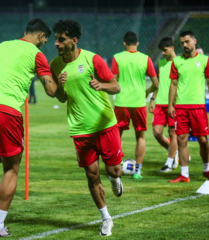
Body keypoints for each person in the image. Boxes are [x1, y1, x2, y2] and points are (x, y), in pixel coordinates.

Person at [0, 18, 57, 238]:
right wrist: (62, 81)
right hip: (6, 112)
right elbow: (50, 91)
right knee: (12, 168)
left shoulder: (0, 46)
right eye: (45, 40)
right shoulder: (37, 54)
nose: (44, 44)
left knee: (10, 152)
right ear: (40, 36)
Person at [50, 20, 123, 237]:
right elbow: (62, 98)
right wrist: (60, 87)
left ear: (74, 41)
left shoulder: (92, 59)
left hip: (105, 125)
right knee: (92, 176)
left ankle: (115, 178)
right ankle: (106, 219)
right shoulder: (56, 65)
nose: (56, 43)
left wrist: (102, 85)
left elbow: (115, 86)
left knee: (113, 170)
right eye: (55, 39)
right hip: (80, 128)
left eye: (61, 40)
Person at [168, 30, 209, 183]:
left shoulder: (204, 60)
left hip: (198, 107)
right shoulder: (177, 62)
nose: (184, 45)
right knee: (181, 139)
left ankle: (206, 169)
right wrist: (171, 105)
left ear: (195, 41)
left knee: (203, 140)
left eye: (187, 42)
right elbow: (174, 84)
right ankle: (184, 174)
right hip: (181, 107)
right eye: (182, 43)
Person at [111, 31, 159, 179]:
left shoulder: (117, 58)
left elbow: (113, 80)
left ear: (124, 43)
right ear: (137, 43)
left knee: (117, 136)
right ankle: (137, 171)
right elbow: (156, 84)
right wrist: (147, 92)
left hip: (121, 102)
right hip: (139, 102)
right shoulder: (146, 59)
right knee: (140, 137)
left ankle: (116, 168)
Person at [149, 37, 178, 172]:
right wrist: (153, 99)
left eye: (165, 50)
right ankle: (173, 150)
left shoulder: (179, 63)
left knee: (173, 133)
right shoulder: (160, 63)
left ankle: (169, 162)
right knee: (156, 132)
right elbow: (158, 84)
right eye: (161, 51)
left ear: (172, 48)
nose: (163, 53)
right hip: (160, 103)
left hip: (174, 104)